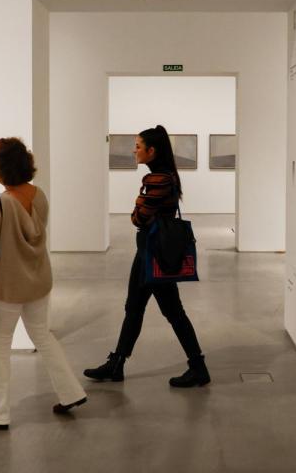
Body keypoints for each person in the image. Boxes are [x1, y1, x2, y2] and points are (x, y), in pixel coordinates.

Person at [0, 137, 87, 430]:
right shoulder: (40, 196)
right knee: (44, 337)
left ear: (2, 166)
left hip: (9, 289)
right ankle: (71, 392)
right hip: (38, 283)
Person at [84, 125, 210, 388]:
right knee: (135, 308)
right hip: (150, 250)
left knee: (170, 311)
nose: (134, 150)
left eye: (138, 146)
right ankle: (117, 363)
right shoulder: (166, 176)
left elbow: (138, 218)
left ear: (152, 151)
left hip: (153, 251)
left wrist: (138, 206)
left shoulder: (157, 180)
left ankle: (198, 367)